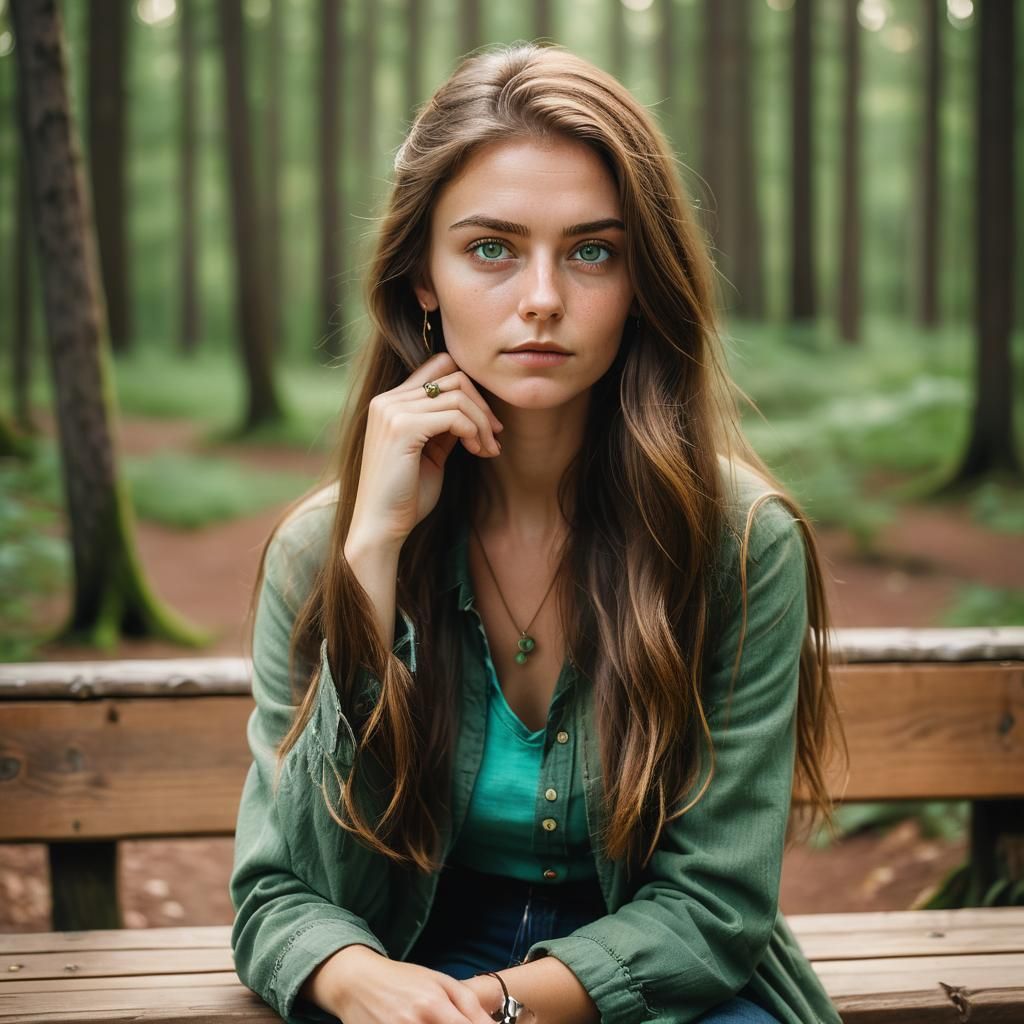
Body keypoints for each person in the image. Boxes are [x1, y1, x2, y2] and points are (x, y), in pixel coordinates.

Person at [229, 41, 848, 1024]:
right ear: (421, 278)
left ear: (641, 280)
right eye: (490, 248)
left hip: (656, 975)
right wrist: (369, 562)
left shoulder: (737, 541)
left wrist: (498, 1007)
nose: (543, 299)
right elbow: (281, 891)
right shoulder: (323, 550)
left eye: (591, 251)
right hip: (413, 947)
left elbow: (713, 908)